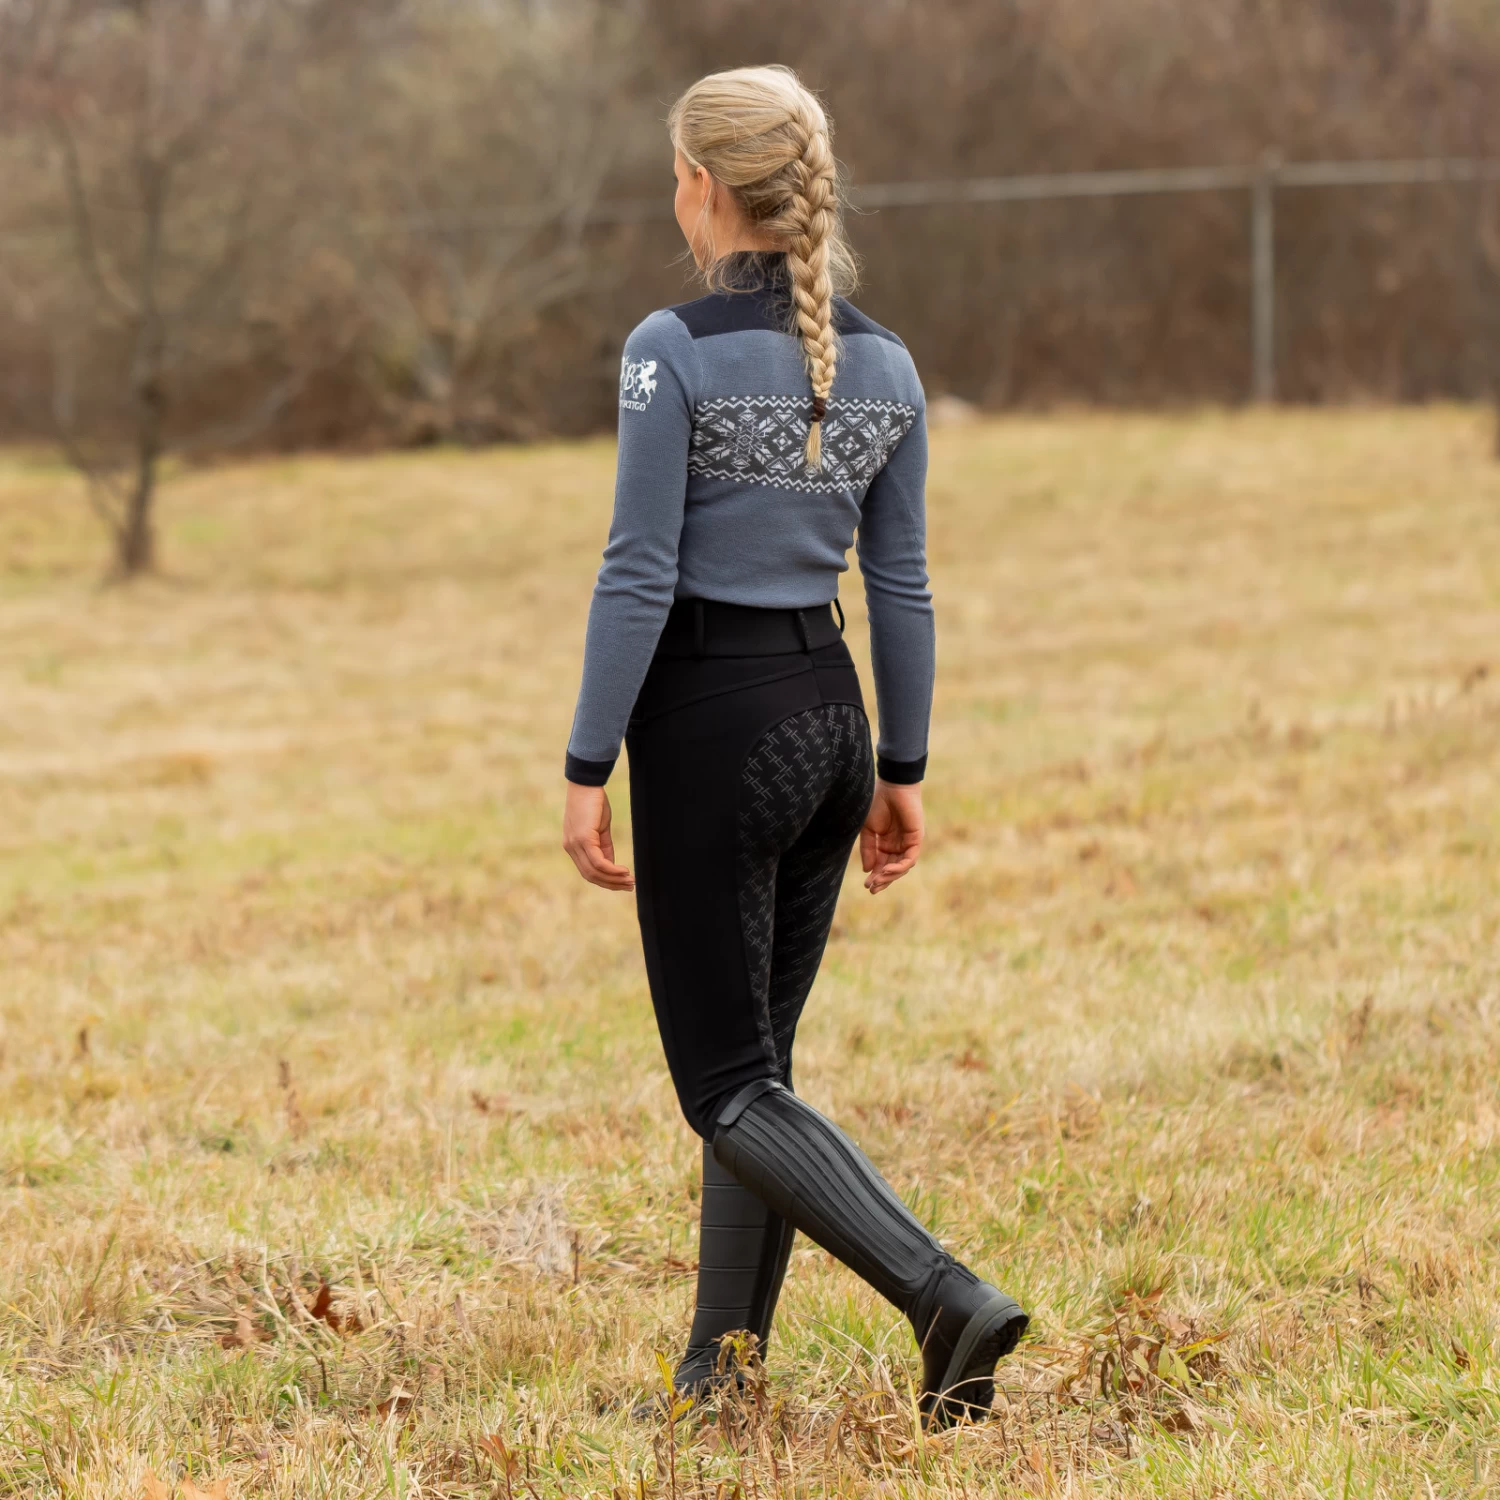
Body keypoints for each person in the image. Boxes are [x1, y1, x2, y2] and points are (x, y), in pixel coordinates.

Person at [561, 65, 1026, 1428]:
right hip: (831, 724)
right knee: (757, 1073)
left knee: (724, 1083)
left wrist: (588, 764)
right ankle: (720, 1372)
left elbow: (637, 570)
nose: (675, 196)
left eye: (676, 178)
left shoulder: (671, 348)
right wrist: (902, 769)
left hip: (713, 729)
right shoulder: (890, 363)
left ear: (705, 188)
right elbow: (905, 582)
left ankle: (944, 1297)